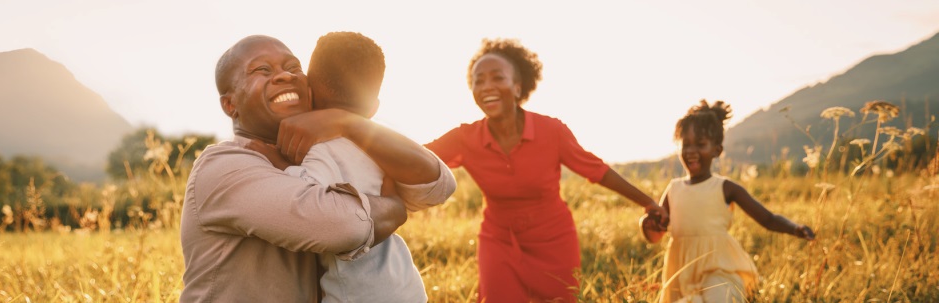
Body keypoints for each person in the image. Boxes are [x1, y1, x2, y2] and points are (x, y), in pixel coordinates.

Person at [180, 35, 446, 302]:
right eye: (263, 69)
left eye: (294, 67)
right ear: (230, 104)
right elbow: (345, 228)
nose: (285, 76)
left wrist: (348, 123)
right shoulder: (224, 166)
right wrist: (394, 207)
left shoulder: (325, 151)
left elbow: (437, 185)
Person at [424, 38, 669, 302]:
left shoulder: (551, 131)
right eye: (478, 80)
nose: (486, 87)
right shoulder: (466, 137)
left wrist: (647, 202)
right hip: (499, 242)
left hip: (554, 242)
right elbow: (416, 156)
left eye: (497, 78)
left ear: (518, 88)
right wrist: (372, 137)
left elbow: (597, 170)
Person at [643, 100, 815, 302]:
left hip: (720, 269)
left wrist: (794, 228)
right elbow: (655, 234)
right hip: (682, 274)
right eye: (686, 144)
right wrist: (646, 224)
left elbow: (768, 219)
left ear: (717, 150)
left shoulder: (726, 188)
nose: (691, 151)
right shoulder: (674, 189)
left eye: (700, 144)